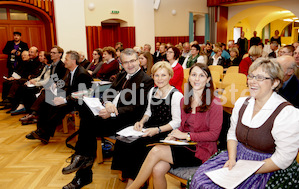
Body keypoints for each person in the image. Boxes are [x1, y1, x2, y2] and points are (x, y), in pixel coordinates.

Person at [190, 58, 299, 189]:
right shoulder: (242, 103)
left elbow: (283, 159)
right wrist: (232, 159)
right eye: (251, 76)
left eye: (260, 78)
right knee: (200, 180)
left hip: (267, 167)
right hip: (238, 157)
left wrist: (247, 170)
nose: (252, 81)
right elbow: (232, 135)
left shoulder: (287, 113)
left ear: (275, 83)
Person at [61, 48, 154, 189]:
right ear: (121, 63)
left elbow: (137, 107)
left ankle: (82, 166)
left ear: (138, 61)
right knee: (86, 116)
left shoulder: (146, 80)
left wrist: (112, 112)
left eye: (133, 61)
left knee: (87, 125)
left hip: (127, 120)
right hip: (112, 116)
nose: (130, 65)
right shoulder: (122, 75)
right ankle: (82, 161)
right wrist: (108, 103)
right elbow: (109, 93)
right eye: (126, 62)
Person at [127, 63, 223, 189]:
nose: (197, 79)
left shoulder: (215, 103)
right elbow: (182, 126)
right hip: (186, 145)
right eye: (193, 75)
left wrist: (186, 135)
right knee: (157, 169)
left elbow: (214, 135)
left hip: (202, 150)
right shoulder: (185, 100)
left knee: (156, 150)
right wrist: (172, 135)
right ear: (189, 78)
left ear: (208, 79)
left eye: (201, 75)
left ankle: (132, 188)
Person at [112, 61, 183, 187]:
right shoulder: (153, 91)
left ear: (170, 76)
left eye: (163, 75)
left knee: (137, 146)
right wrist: (141, 121)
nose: (160, 79)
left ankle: (133, 182)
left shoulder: (176, 95)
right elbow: (148, 112)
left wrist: (157, 130)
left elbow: (176, 122)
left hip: (165, 131)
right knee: (123, 141)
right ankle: (131, 176)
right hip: (150, 127)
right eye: (156, 75)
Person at [25, 50, 92, 144]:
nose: (64, 61)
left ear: (73, 61)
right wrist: (53, 89)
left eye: (66, 59)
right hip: (69, 96)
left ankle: (43, 133)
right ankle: (40, 129)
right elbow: (64, 84)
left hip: (78, 101)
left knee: (57, 106)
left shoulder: (82, 74)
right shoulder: (70, 71)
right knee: (46, 98)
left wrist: (63, 99)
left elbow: (81, 94)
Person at [19, 45, 67, 124]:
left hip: (60, 90)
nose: (51, 54)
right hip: (52, 88)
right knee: (37, 91)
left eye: (54, 53)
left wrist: (49, 87)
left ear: (60, 54)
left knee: (45, 93)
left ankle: (34, 114)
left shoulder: (62, 66)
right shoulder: (53, 65)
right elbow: (52, 80)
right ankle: (35, 115)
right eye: (51, 52)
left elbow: (61, 81)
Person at [11, 51, 52, 116]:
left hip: (43, 85)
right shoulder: (46, 67)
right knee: (24, 86)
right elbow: (40, 77)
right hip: (39, 83)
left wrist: (36, 83)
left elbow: (46, 81)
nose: (43, 59)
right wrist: (32, 80)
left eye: (44, 58)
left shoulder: (52, 68)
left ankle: (31, 110)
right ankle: (21, 106)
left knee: (28, 89)